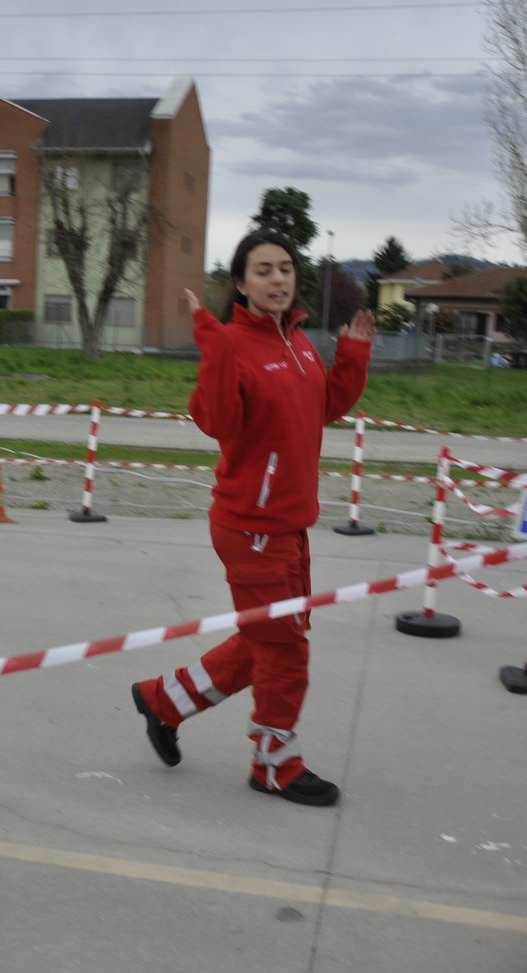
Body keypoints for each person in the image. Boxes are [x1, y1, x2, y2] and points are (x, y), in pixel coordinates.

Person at [129, 229, 375, 807]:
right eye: (263, 270)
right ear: (241, 283)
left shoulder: (297, 342)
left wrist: (354, 356)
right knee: (286, 652)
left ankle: (165, 701)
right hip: (250, 529)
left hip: (290, 525)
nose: (278, 279)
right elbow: (215, 418)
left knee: (267, 641)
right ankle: (274, 764)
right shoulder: (235, 344)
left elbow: (325, 406)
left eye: (285, 268)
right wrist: (214, 347)